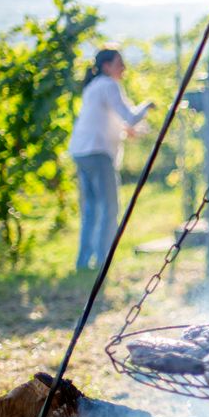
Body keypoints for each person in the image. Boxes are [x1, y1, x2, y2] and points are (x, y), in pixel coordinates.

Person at [67, 49, 153, 271]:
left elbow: (113, 123)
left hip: (82, 150)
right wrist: (148, 105)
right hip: (97, 152)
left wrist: (133, 131)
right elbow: (130, 117)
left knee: (91, 208)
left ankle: (84, 261)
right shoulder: (108, 84)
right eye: (119, 63)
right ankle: (102, 259)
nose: (123, 68)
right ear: (106, 66)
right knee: (109, 206)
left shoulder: (94, 87)